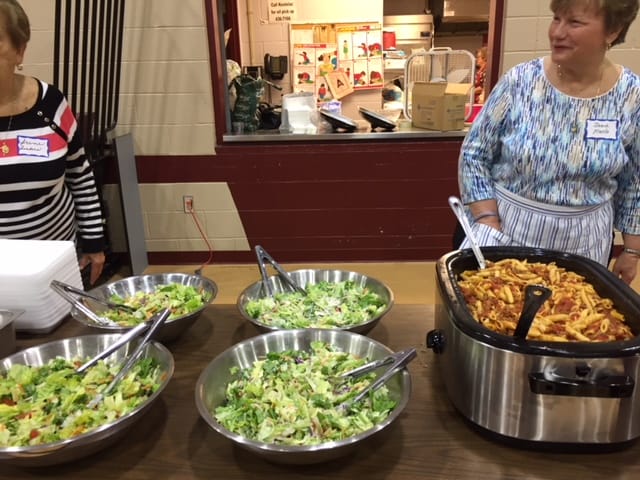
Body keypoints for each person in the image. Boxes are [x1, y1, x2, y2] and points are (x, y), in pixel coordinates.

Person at [457, 0, 640, 285]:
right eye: (556, 19)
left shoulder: (631, 95)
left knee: (573, 309)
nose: (557, 32)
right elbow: (474, 154)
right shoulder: (521, 82)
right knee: (497, 306)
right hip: (509, 228)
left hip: (586, 241)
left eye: (574, 22)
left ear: (613, 31)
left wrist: (631, 250)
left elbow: (635, 180)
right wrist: (488, 221)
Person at [0, 0, 106, 284]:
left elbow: (80, 173)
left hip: (55, 262)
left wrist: (94, 242)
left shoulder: (50, 104)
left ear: (19, 50)